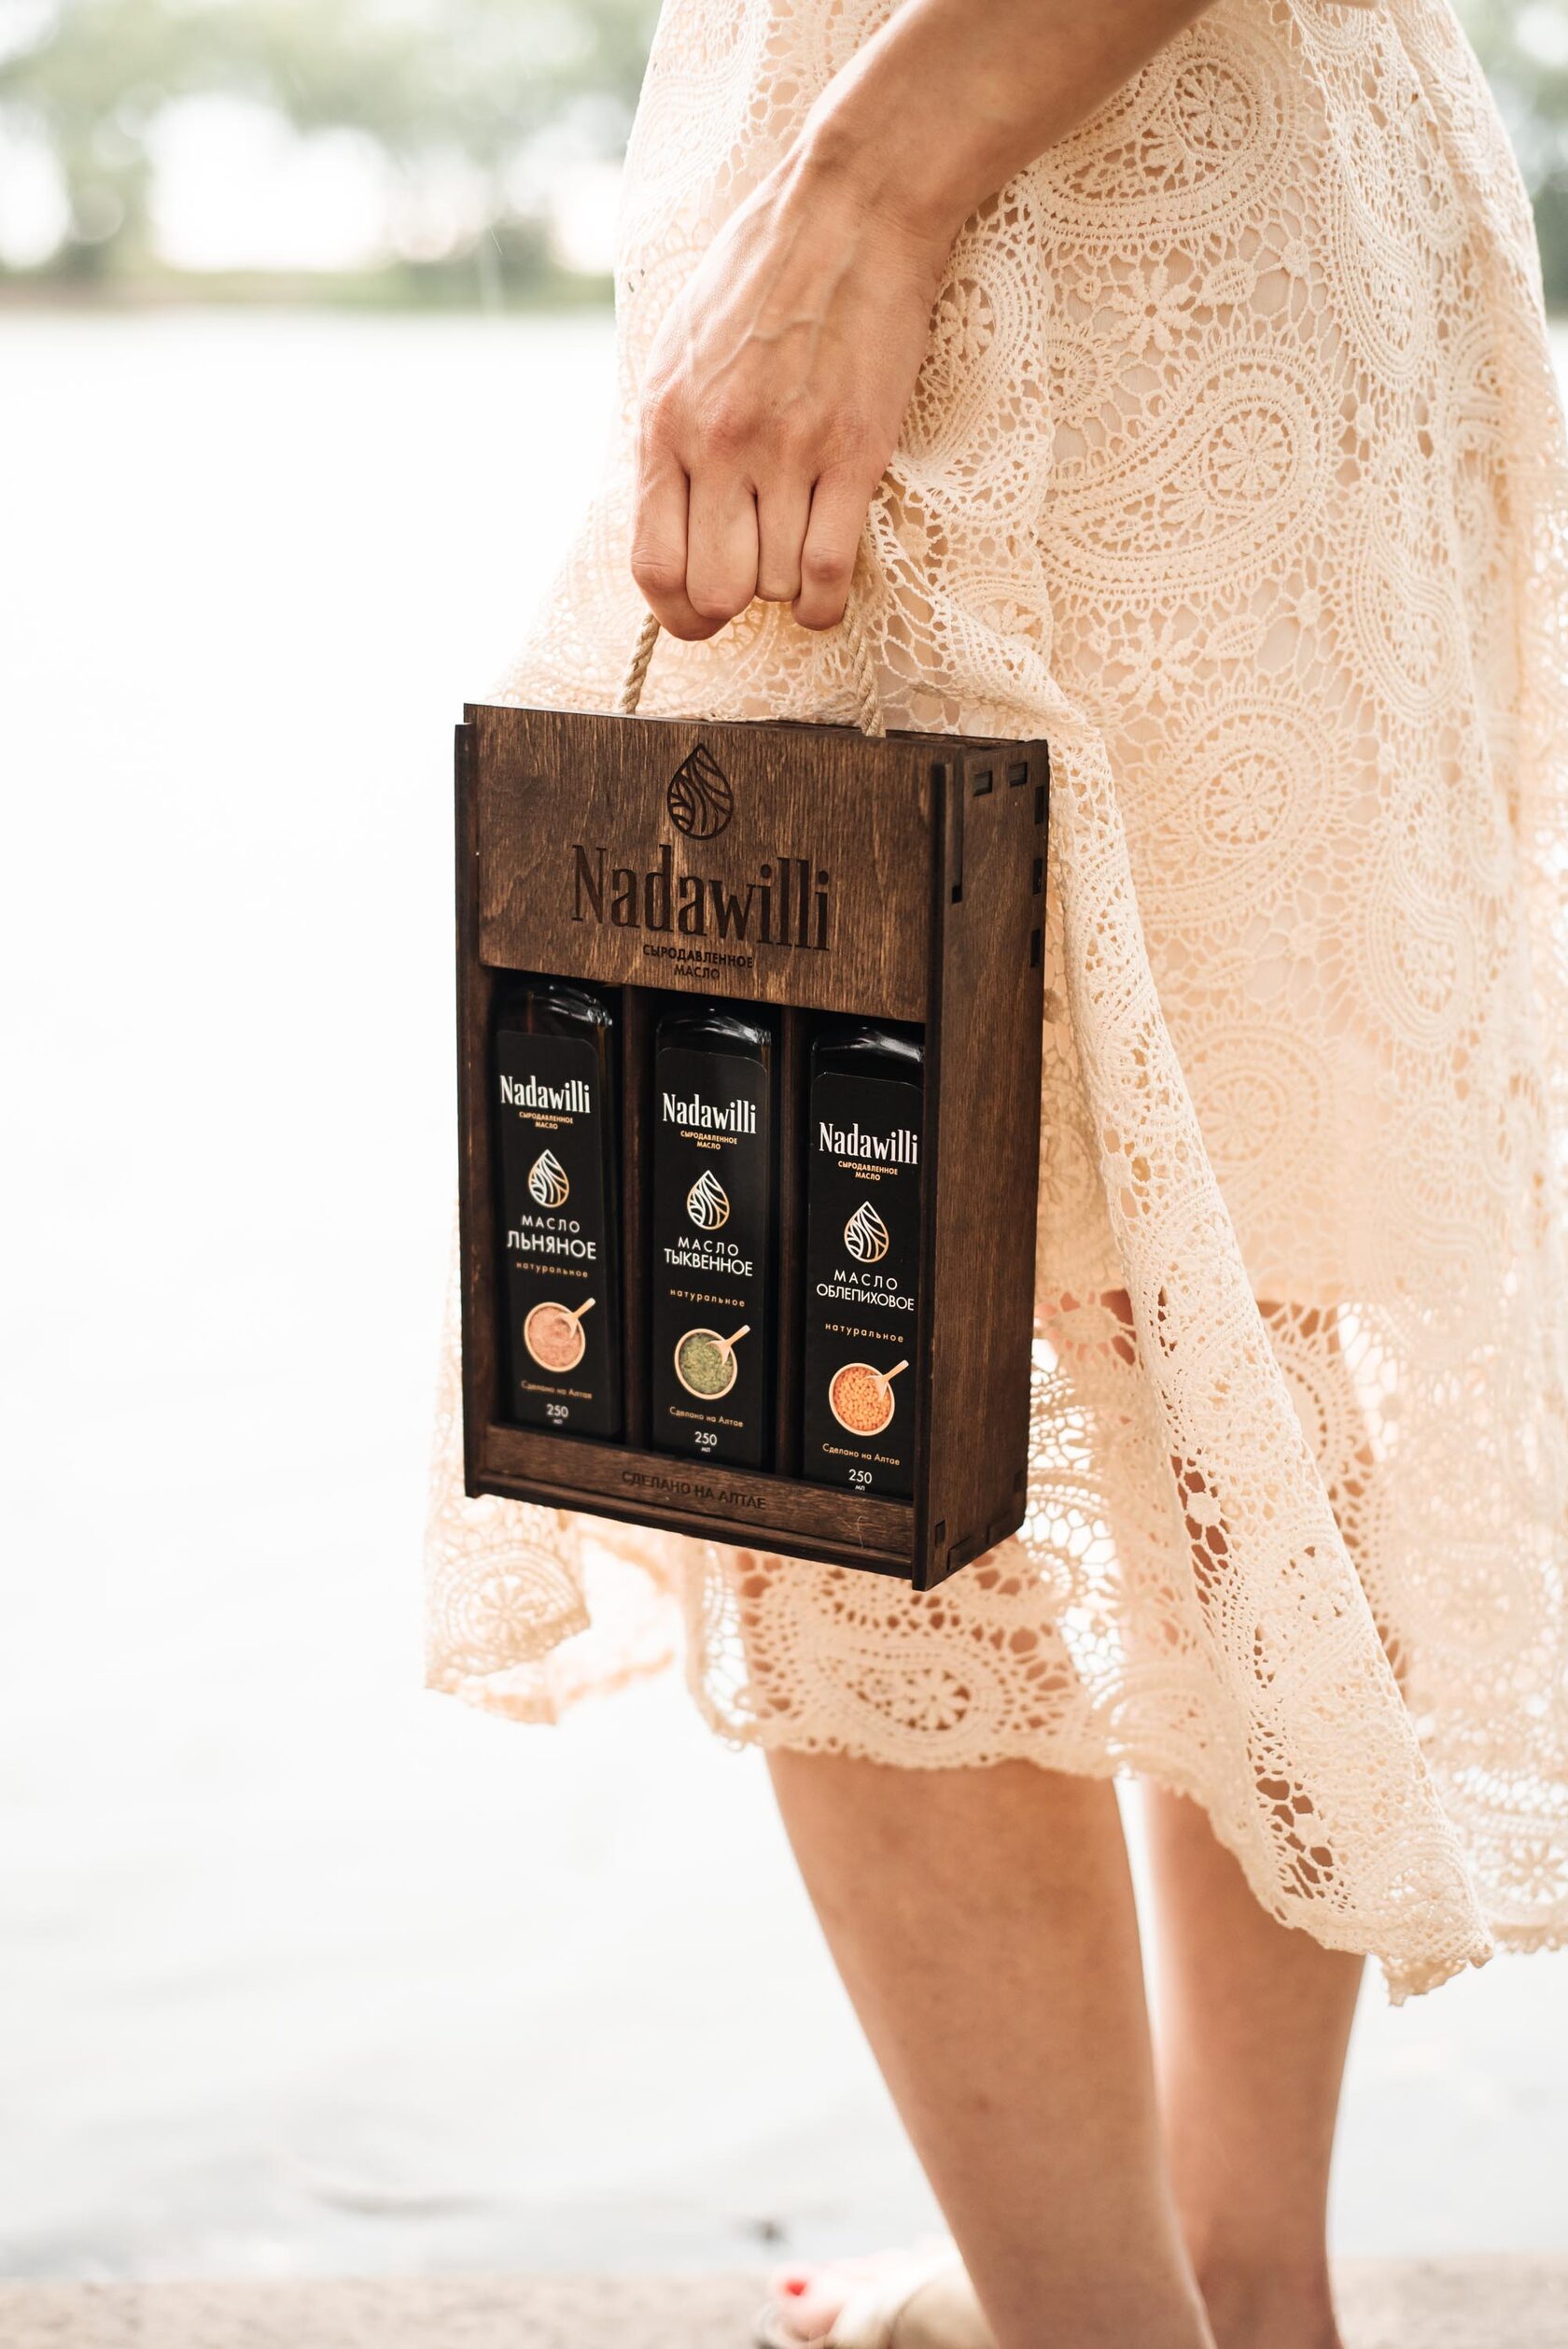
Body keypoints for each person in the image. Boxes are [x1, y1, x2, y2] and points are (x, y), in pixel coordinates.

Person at [427, 0, 1568, 2342]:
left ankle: (1114, 2321)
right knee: (1214, 1295)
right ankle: (1232, 2278)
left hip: (990, 204)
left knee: (815, 1337)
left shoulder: (888, 204)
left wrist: (861, 198)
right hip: (1234, 202)